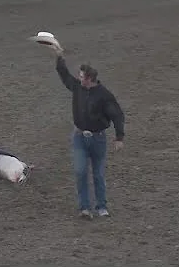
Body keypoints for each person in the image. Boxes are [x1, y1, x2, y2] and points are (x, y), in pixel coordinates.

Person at [49, 44, 125, 219]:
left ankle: (101, 206)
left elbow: (117, 115)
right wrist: (59, 57)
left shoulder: (104, 95)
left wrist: (119, 137)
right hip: (79, 137)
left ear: (89, 79)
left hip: (98, 140)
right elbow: (64, 76)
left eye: (82, 76)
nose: (79, 78)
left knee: (98, 174)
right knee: (81, 171)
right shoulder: (78, 87)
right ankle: (84, 207)